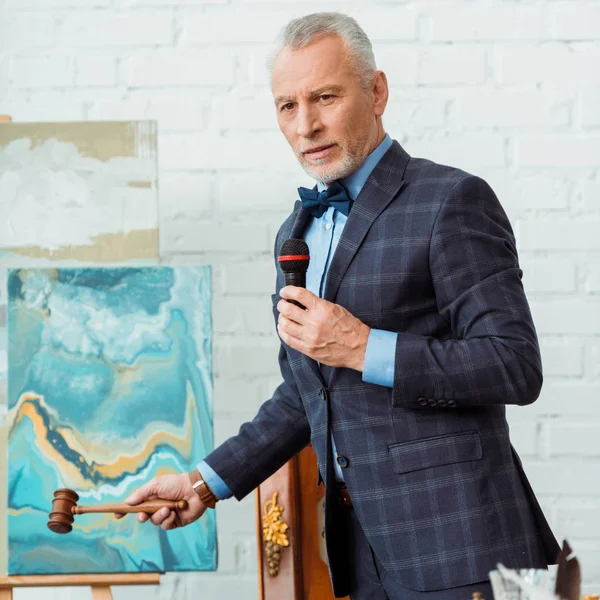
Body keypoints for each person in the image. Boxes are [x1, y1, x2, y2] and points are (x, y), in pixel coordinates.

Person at [121, 12, 559, 599]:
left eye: (325, 97)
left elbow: (513, 363)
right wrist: (203, 484)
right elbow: (308, 394)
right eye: (287, 106)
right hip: (360, 558)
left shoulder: (451, 200)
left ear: (377, 92)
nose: (307, 125)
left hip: (467, 549)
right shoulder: (294, 234)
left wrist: (363, 348)